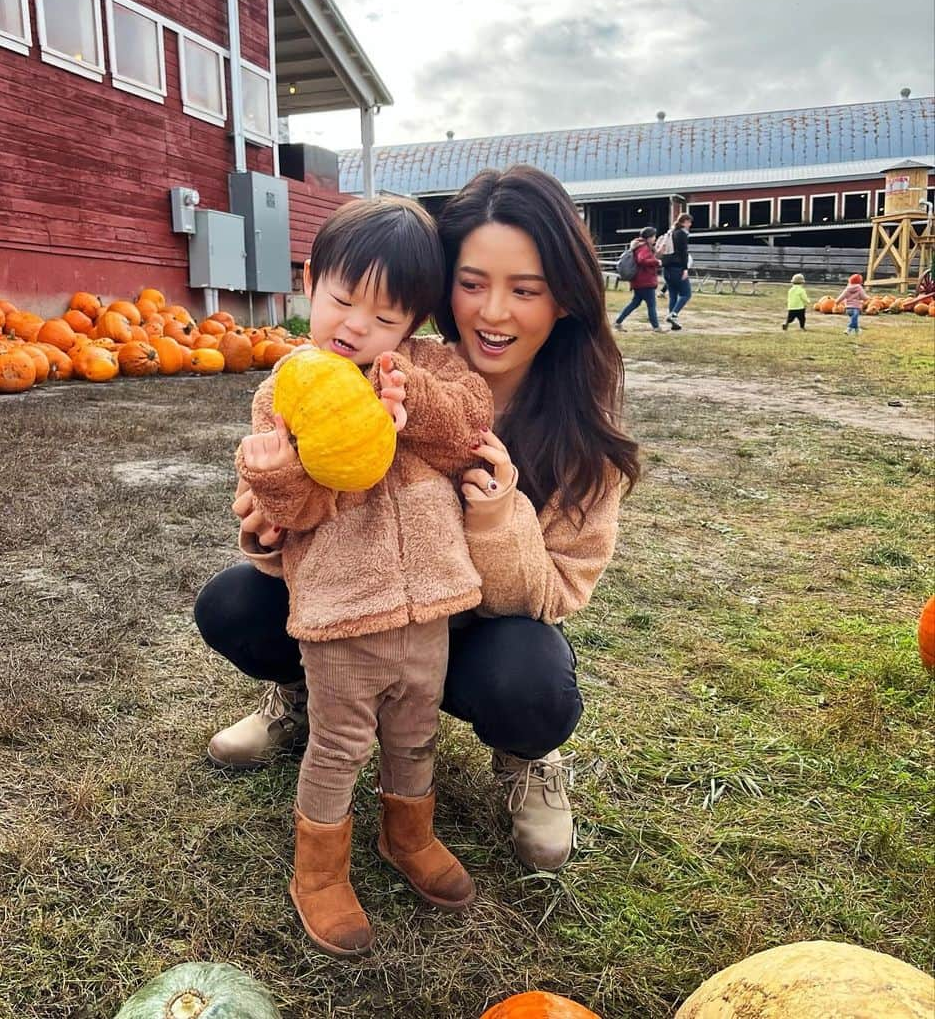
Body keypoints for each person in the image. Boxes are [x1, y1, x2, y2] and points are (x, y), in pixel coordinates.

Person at [195, 165, 639, 887]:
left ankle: (527, 759)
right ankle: (305, 696)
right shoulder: (346, 374)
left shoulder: (575, 432)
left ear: (564, 298)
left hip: (476, 628)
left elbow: (554, 595)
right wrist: (269, 521)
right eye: (472, 283)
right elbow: (308, 512)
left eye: (525, 289)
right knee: (234, 602)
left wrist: (496, 521)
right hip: (352, 606)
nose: (494, 312)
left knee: (529, 680)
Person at [229, 195, 492, 958]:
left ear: (413, 324)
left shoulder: (431, 370)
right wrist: (277, 476)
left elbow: (467, 435)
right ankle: (319, 872)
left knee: (415, 736)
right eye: (341, 299)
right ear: (312, 283)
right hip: (344, 610)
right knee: (339, 744)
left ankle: (407, 838)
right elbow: (296, 512)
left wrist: (414, 398)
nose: (353, 326)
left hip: (431, 605)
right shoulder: (284, 391)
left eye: (383, 317)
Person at [613, 226, 666, 331]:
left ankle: (618, 322)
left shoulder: (639, 245)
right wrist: (657, 262)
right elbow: (642, 260)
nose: (655, 238)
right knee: (651, 305)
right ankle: (656, 327)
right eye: (654, 236)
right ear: (649, 237)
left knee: (635, 303)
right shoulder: (644, 247)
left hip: (639, 280)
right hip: (645, 281)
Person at [661, 212, 693, 329]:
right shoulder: (682, 234)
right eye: (689, 222)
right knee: (686, 294)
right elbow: (683, 253)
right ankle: (673, 315)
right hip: (677, 267)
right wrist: (685, 269)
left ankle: (674, 323)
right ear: (685, 222)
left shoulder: (671, 232)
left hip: (667, 268)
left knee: (673, 295)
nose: (690, 224)